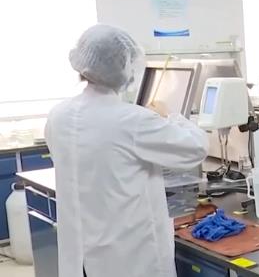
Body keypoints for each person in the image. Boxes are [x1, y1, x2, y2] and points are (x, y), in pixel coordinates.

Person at [45, 24, 209, 277]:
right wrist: (169, 116)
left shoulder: (59, 115)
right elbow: (196, 148)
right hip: (129, 258)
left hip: (81, 258)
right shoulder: (133, 120)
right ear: (123, 67)